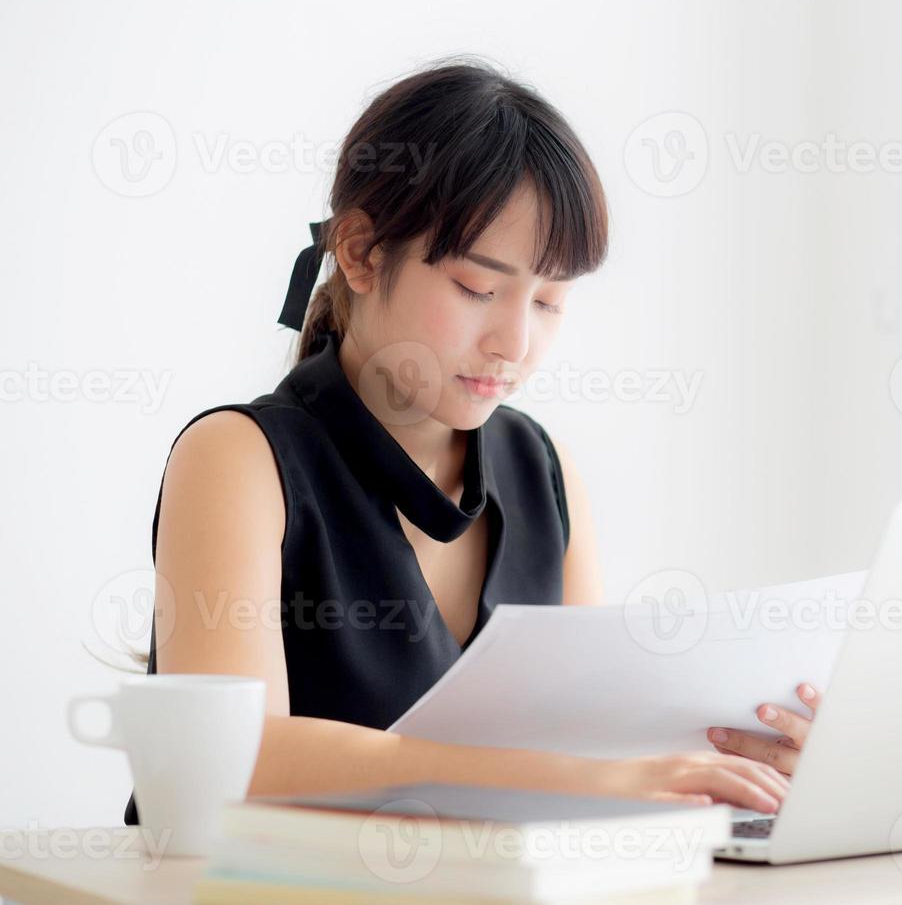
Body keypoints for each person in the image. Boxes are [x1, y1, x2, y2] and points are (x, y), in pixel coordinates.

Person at [123, 57, 820, 825]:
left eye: (551, 301)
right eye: (477, 289)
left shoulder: (541, 469)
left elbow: (591, 744)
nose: (514, 343)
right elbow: (233, 757)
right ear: (358, 253)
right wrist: (564, 776)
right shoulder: (238, 459)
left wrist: (734, 761)